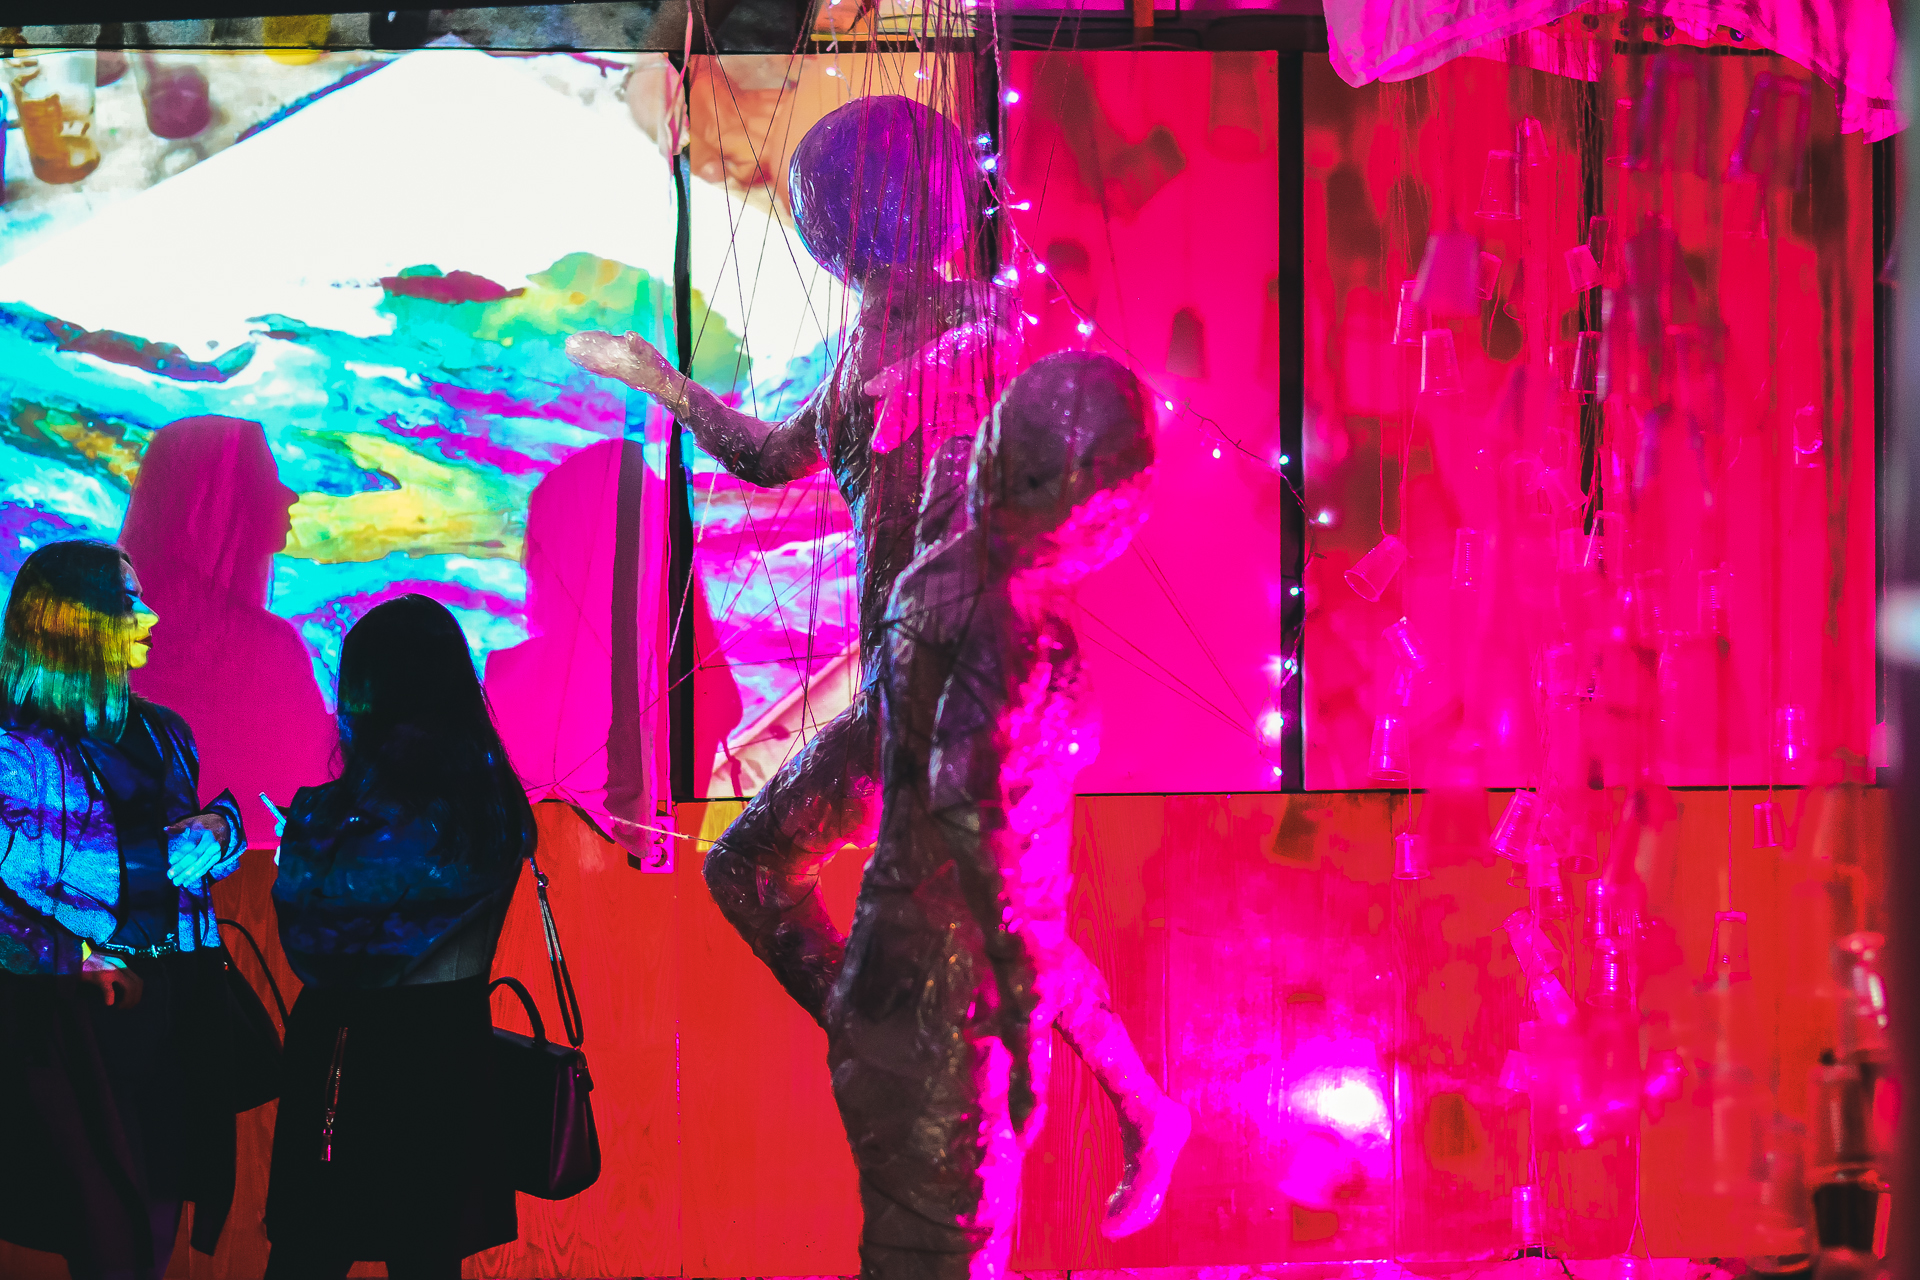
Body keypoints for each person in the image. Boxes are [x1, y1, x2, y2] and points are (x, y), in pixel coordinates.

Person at [568, 91, 1010, 1026]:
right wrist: (660, 381)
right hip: (914, 692)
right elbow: (767, 457)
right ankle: (888, 1045)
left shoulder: (982, 329)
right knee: (762, 874)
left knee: (771, 875)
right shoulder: (872, 355)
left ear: (829, 232)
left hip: (949, 685)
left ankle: (891, 1047)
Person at [832, 352, 1190, 1277]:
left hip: (899, 969)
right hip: (951, 999)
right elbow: (967, 805)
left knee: (915, 1243)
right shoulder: (1017, 623)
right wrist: (1025, 1034)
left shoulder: (940, 568)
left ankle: (1147, 1111)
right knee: (942, 1248)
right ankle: (1147, 1111)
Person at [263, 595, 536, 1280]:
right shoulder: (492, 801)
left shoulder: (359, 810)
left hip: (353, 1060)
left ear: (369, 690)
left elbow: (314, 948)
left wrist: (300, 840)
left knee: (308, 1253)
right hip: (451, 1056)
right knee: (428, 1255)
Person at [0, 538, 248, 1280]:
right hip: (66, 1016)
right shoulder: (14, 747)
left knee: (161, 1198)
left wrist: (221, 829)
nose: (151, 615)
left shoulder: (166, 730)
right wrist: (72, 957)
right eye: (129, 600)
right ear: (72, 618)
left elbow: (190, 848)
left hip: (173, 995)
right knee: (108, 1221)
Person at [117, 414, 335, 850]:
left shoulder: (101, 633)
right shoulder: (266, 647)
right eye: (267, 480)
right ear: (218, 501)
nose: (289, 495)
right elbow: (313, 786)